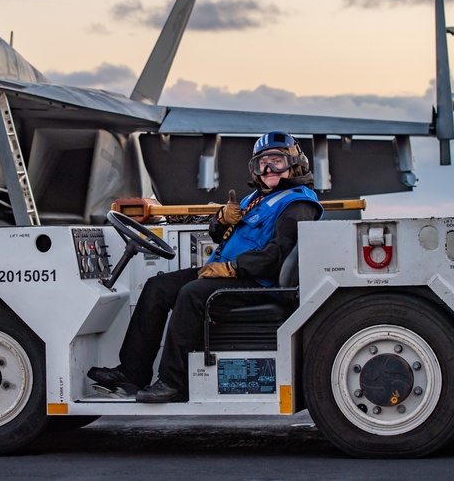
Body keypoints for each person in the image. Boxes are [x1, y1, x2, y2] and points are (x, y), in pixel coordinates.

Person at [88, 131, 324, 403]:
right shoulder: (253, 199)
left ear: (295, 164)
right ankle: (132, 373)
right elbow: (219, 237)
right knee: (158, 287)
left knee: (192, 293)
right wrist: (221, 219)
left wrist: (233, 268)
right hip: (227, 272)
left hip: (259, 283)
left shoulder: (297, 203)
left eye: (277, 161)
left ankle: (173, 383)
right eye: (262, 163)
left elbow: (279, 253)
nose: (268, 169)